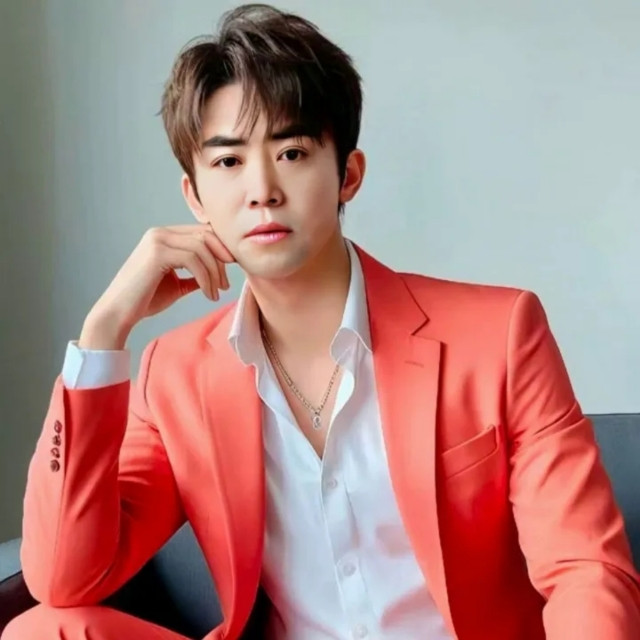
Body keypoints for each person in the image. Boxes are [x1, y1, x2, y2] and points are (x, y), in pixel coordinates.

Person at [4, 4, 640, 640]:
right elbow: (65, 579)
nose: (262, 190)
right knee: (43, 630)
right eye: (228, 162)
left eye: (292, 152)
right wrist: (104, 331)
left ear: (347, 175)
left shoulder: (498, 335)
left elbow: (586, 570)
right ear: (195, 196)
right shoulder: (172, 375)